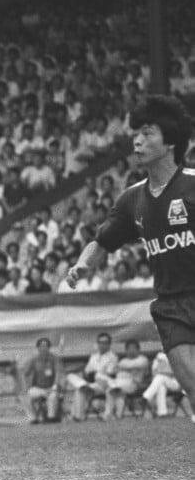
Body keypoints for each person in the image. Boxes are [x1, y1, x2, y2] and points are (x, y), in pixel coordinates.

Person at [66, 96, 195, 424]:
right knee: (190, 380)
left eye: (148, 133)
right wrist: (83, 264)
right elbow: (102, 241)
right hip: (170, 305)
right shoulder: (131, 199)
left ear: (170, 142)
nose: (137, 140)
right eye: (136, 133)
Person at [65, 333, 119, 421]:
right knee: (72, 378)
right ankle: (78, 416)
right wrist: (90, 375)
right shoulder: (94, 357)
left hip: (105, 384)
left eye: (105, 342)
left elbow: (110, 374)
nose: (102, 345)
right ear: (98, 343)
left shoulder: (113, 357)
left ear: (109, 344)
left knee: (99, 375)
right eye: (100, 342)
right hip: (92, 384)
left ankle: (107, 415)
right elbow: (87, 372)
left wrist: (95, 373)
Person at [22, 337, 65, 423]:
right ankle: (33, 418)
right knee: (26, 396)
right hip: (38, 388)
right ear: (38, 348)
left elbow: (58, 373)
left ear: (49, 348)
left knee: (53, 397)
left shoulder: (55, 359)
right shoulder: (33, 359)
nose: (43, 348)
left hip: (52, 388)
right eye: (41, 346)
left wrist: (55, 386)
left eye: (46, 346)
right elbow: (25, 372)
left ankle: (51, 418)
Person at [143, 350, 182, 417]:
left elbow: (177, 372)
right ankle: (162, 413)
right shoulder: (158, 357)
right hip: (161, 381)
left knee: (160, 377)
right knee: (161, 386)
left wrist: (164, 371)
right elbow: (154, 372)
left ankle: (145, 397)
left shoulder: (176, 355)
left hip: (176, 383)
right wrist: (164, 370)